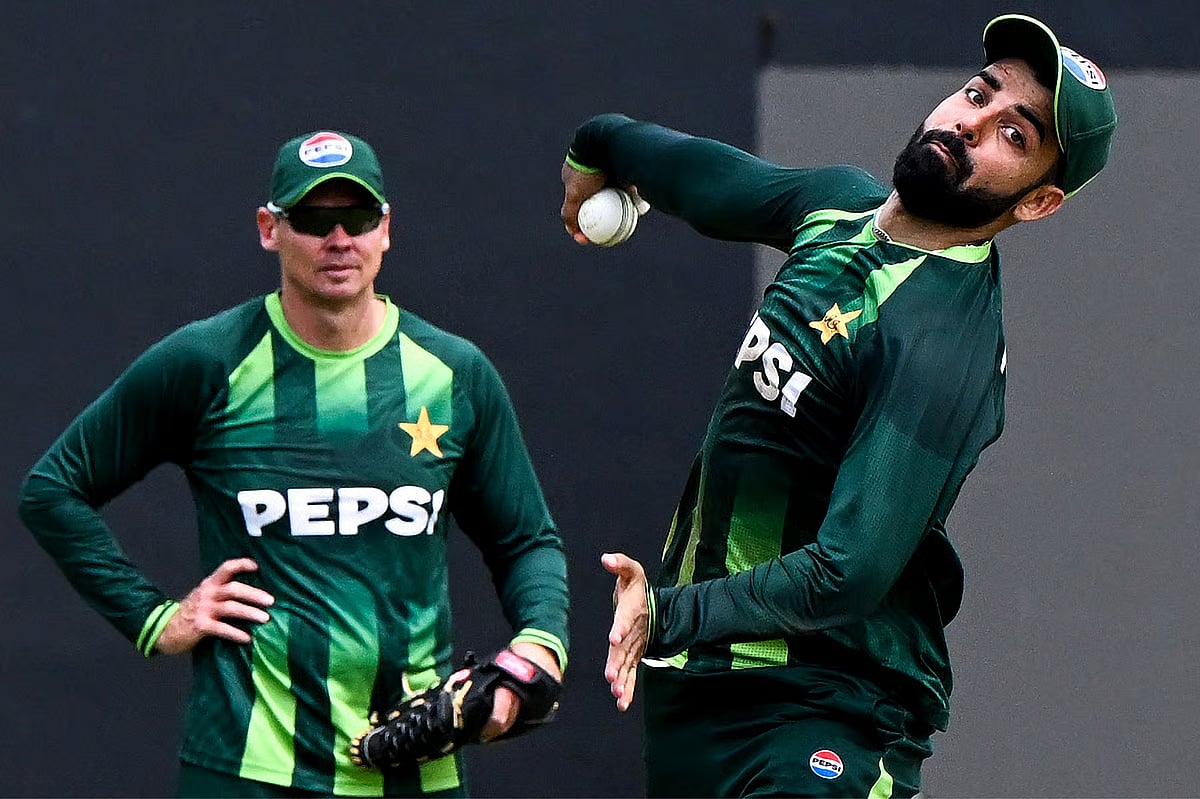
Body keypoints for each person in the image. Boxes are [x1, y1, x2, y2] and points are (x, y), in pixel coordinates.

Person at [560, 14, 1114, 798]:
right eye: (976, 95)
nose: (968, 124)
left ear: (1038, 202)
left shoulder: (941, 351)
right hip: (699, 687)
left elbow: (847, 572)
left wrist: (668, 612)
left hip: (829, 708)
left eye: (1012, 136)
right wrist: (600, 143)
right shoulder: (837, 212)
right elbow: (705, 181)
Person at [19, 129, 568, 798]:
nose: (338, 238)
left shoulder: (454, 374)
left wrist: (538, 644)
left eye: (358, 217)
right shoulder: (208, 363)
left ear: (386, 229)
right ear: (268, 229)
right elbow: (52, 490)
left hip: (415, 772)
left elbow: (526, 540)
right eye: (312, 219)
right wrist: (154, 617)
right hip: (247, 770)